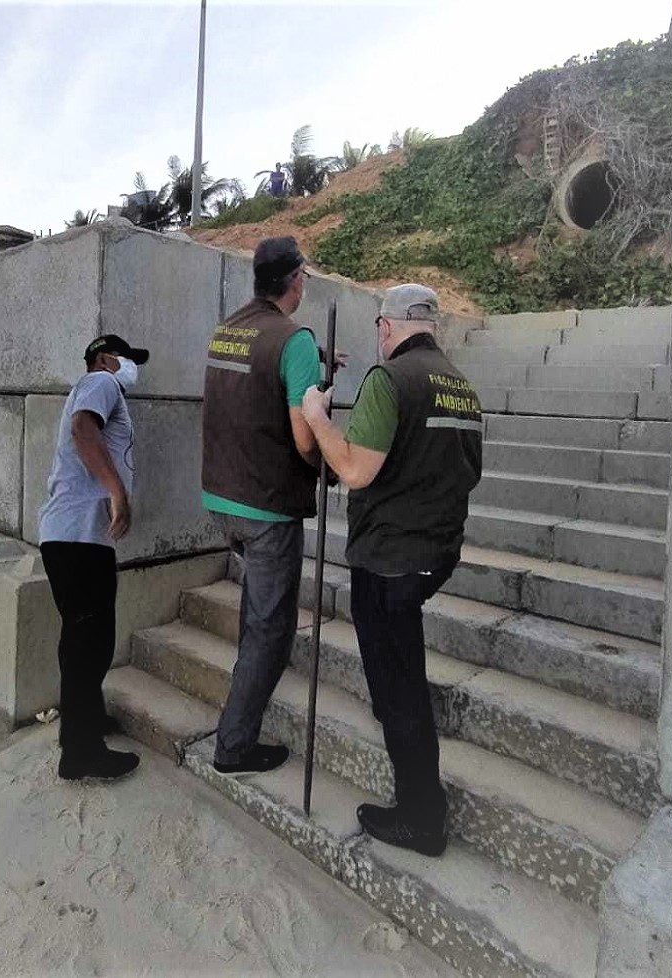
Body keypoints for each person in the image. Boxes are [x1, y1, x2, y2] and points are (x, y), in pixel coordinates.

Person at [301, 284, 482, 855]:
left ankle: (421, 816)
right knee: (400, 681)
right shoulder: (460, 386)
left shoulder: (390, 380)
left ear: (386, 327)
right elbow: (468, 470)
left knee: (398, 690)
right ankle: (421, 796)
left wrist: (316, 415)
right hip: (434, 553)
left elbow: (354, 469)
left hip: (389, 561)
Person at [201, 236, 323, 776]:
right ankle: (233, 748)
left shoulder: (229, 329)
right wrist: (331, 458)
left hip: (222, 497)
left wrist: (311, 363)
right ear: (295, 279)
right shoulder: (293, 339)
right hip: (268, 506)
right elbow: (303, 437)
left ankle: (237, 720)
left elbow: (256, 376)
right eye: (305, 277)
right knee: (271, 631)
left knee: (259, 614)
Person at [37, 333, 150, 782]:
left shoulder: (94, 388)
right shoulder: (101, 383)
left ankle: (84, 724)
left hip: (68, 537)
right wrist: (116, 491)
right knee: (93, 643)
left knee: (79, 640)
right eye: (127, 359)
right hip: (80, 537)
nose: (131, 369)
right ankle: (82, 754)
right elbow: (84, 430)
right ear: (105, 358)